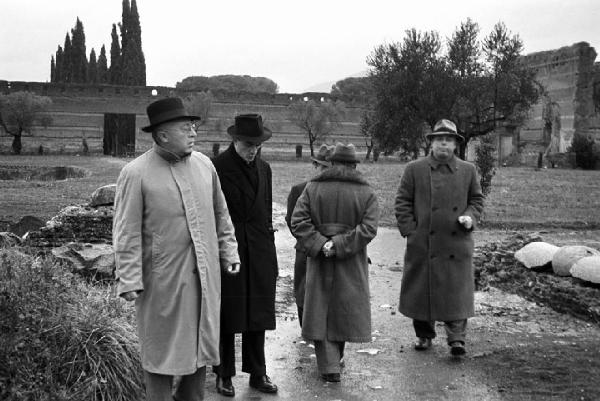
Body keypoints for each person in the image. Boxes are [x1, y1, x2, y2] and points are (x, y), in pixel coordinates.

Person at [113, 97, 240, 401]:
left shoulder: (205, 165)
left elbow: (221, 214)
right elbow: (126, 232)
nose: (194, 133)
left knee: (199, 349)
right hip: (163, 283)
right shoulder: (135, 173)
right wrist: (129, 279)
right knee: (160, 354)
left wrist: (229, 251)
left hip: (204, 279)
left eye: (193, 127)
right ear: (162, 134)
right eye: (186, 128)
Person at [394, 118, 484, 357]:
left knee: (456, 292)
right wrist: (411, 230)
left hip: (457, 242)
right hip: (423, 241)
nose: (444, 144)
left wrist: (469, 217)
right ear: (431, 143)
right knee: (422, 290)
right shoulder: (414, 169)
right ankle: (424, 335)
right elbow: (402, 201)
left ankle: (457, 339)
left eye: (449, 140)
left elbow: (477, 201)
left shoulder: (468, 170)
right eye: (439, 140)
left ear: (455, 145)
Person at [291, 143, 379, 383]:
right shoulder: (367, 192)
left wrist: (321, 244)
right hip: (351, 261)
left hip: (319, 261)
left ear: (333, 164)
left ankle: (329, 365)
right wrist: (340, 244)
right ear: (353, 166)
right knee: (343, 311)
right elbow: (369, 228)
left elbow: (298, 221)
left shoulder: (312, 188)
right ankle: (333, 362)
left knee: (322, 311)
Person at [211, 114, 279, 396]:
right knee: (228, 313)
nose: (253, 150)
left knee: (258, 313)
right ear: (235, 140)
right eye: (248, 144)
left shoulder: (265, 169)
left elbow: (264, 211)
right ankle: (223, 373)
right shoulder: (216, 168)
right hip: (230, 248)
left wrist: (269, 250)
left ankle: (257, 372)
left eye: (257, 145)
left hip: (260, 249)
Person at [284, 144, 334, 327]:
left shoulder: (339, 192)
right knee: (304, 294)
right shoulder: (299, 190)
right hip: (307, 251)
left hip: (333, 251)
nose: (326, 172)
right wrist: (316, 242)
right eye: (322, 167)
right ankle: (306, 331)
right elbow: (293, 222)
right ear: (315, 166)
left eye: (330, 167)